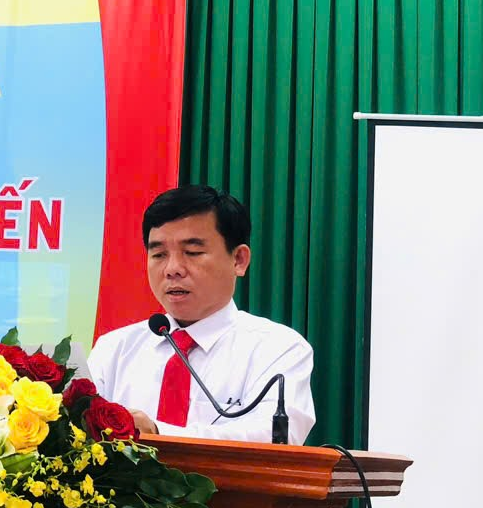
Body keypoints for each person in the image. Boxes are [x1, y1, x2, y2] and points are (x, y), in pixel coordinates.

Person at [87, 185, 316, 444]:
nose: (172, 269)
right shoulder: (115, 348)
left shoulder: (278, 348)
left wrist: (157, 433)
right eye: (159, 254)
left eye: (192, 253)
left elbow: (275, 439)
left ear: (239, 260)